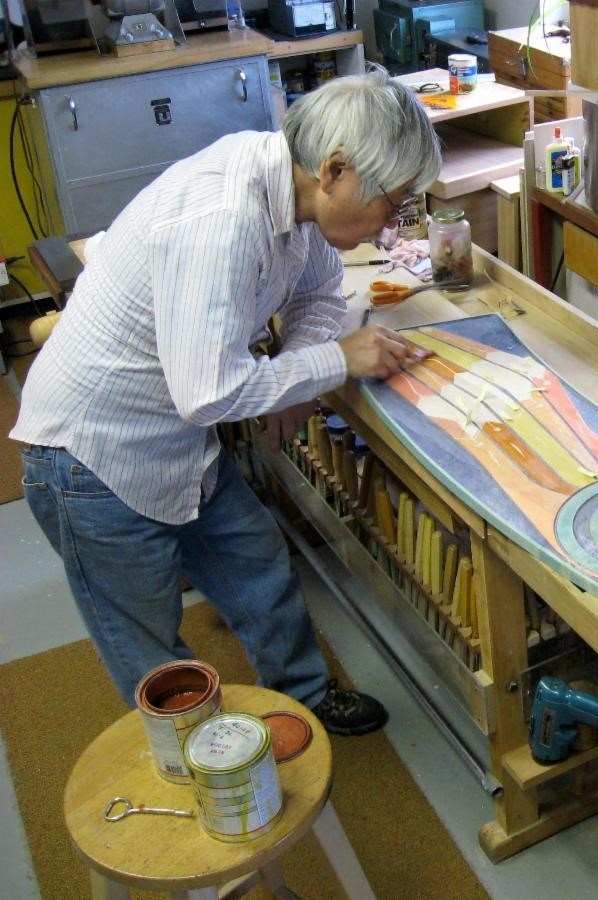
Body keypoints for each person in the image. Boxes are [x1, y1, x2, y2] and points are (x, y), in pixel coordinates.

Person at [11, 65, 441, 736]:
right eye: (393, 201)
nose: (393, 225)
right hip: (91, 459)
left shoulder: (294, 201)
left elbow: (321, 295)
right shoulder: (222, 218)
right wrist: (331, 363)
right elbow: (208, 394)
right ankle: (204, 764)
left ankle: (303, 698)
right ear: (334, 171)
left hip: (175, 439)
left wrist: (301, 370)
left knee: (257, 563)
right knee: (151, 648)